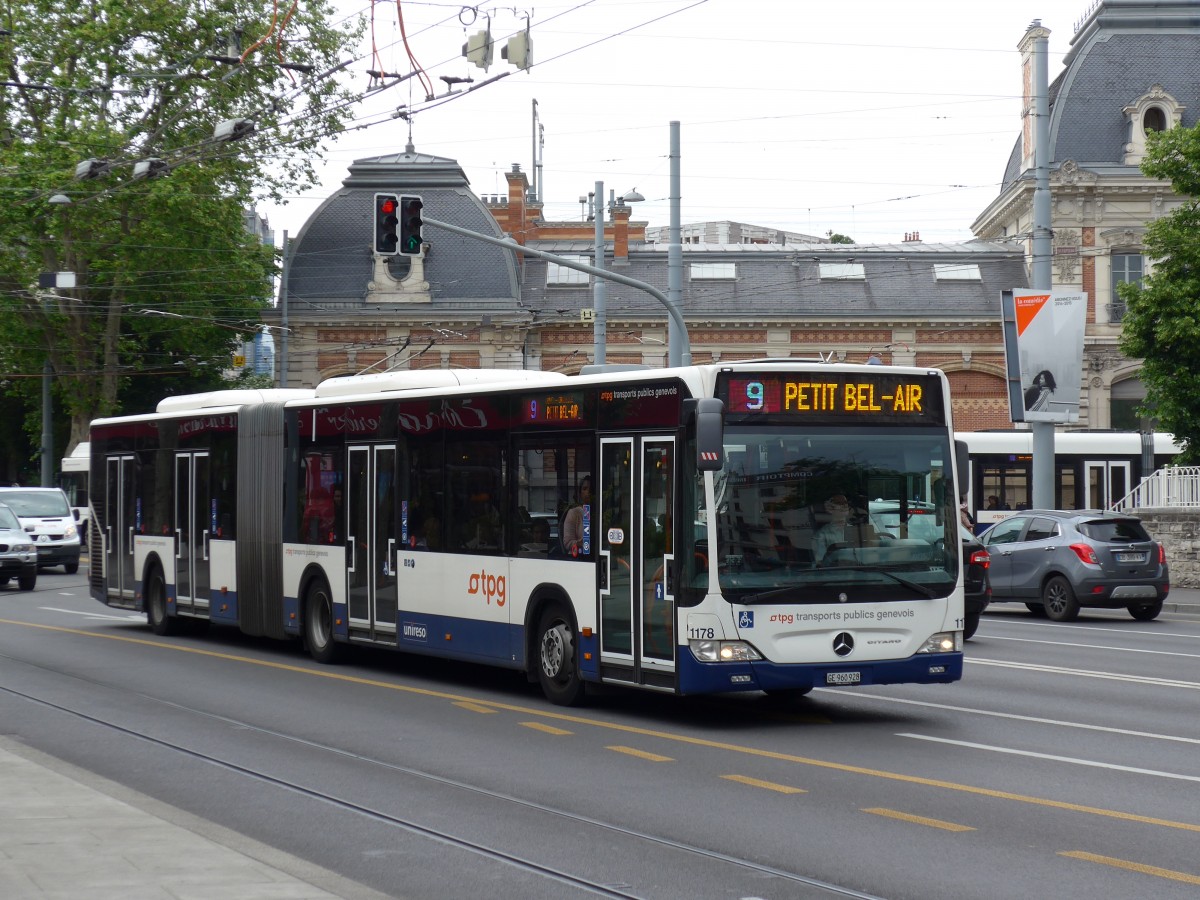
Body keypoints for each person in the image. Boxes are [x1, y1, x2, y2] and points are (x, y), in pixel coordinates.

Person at [812, 493, 880, 563]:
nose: (844, 505)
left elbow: (872, 553)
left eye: (845, 502)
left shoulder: (858, 531)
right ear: (828, 508)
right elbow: (820, 561)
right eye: (839, 503)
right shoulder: (821, 534)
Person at [561, 475, 592, 556]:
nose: (588, 492)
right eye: (584, 489)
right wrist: (583, 543)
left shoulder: (602, 513)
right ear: (580, 493)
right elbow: (567, 543)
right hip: (578, 559)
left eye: (591, 489)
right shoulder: (574, 513)